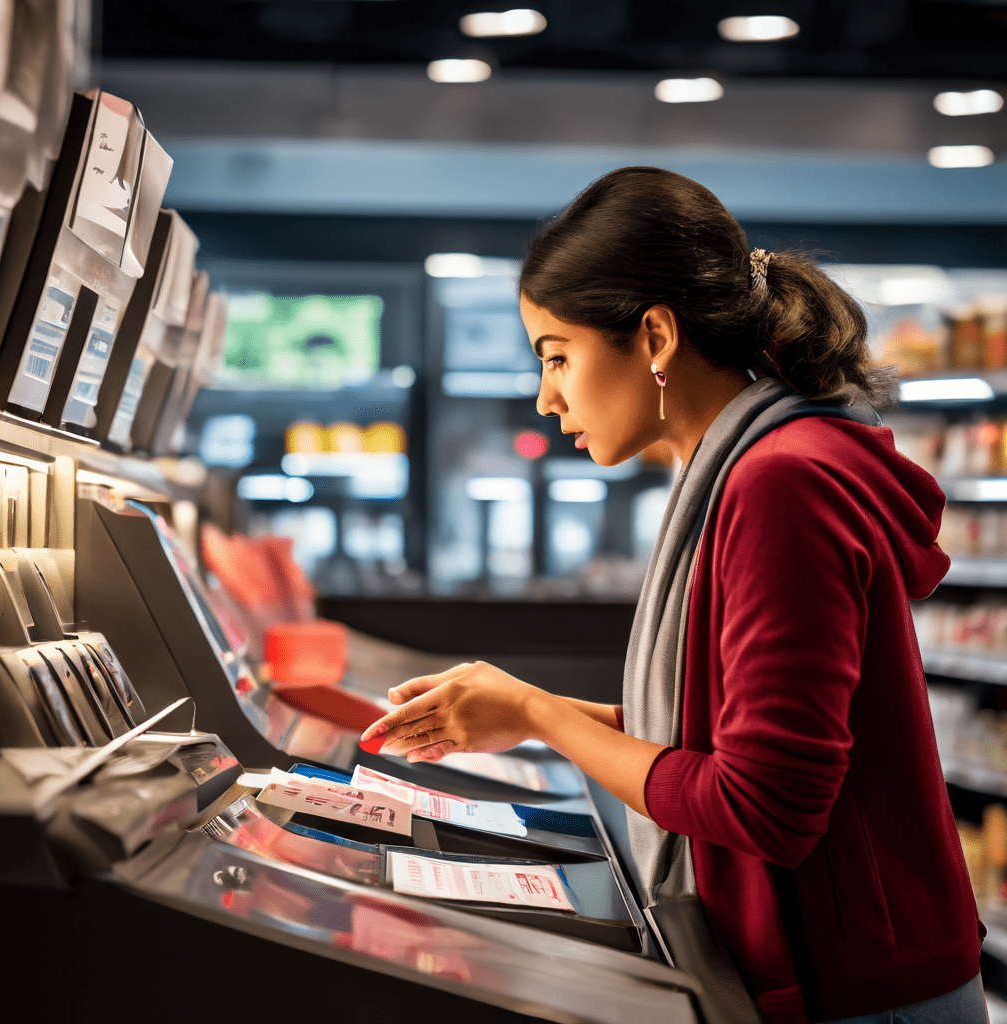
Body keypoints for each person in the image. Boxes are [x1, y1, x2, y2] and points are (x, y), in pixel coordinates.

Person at [359, 167, 985, 1024]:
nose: (547, 398)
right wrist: (528, 707)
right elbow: (726, 740)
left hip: (855, 991)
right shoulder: (752, 468)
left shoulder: (779, 483)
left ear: (654, 336)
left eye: (557, 357)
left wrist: (546, 720)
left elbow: (762, 803)